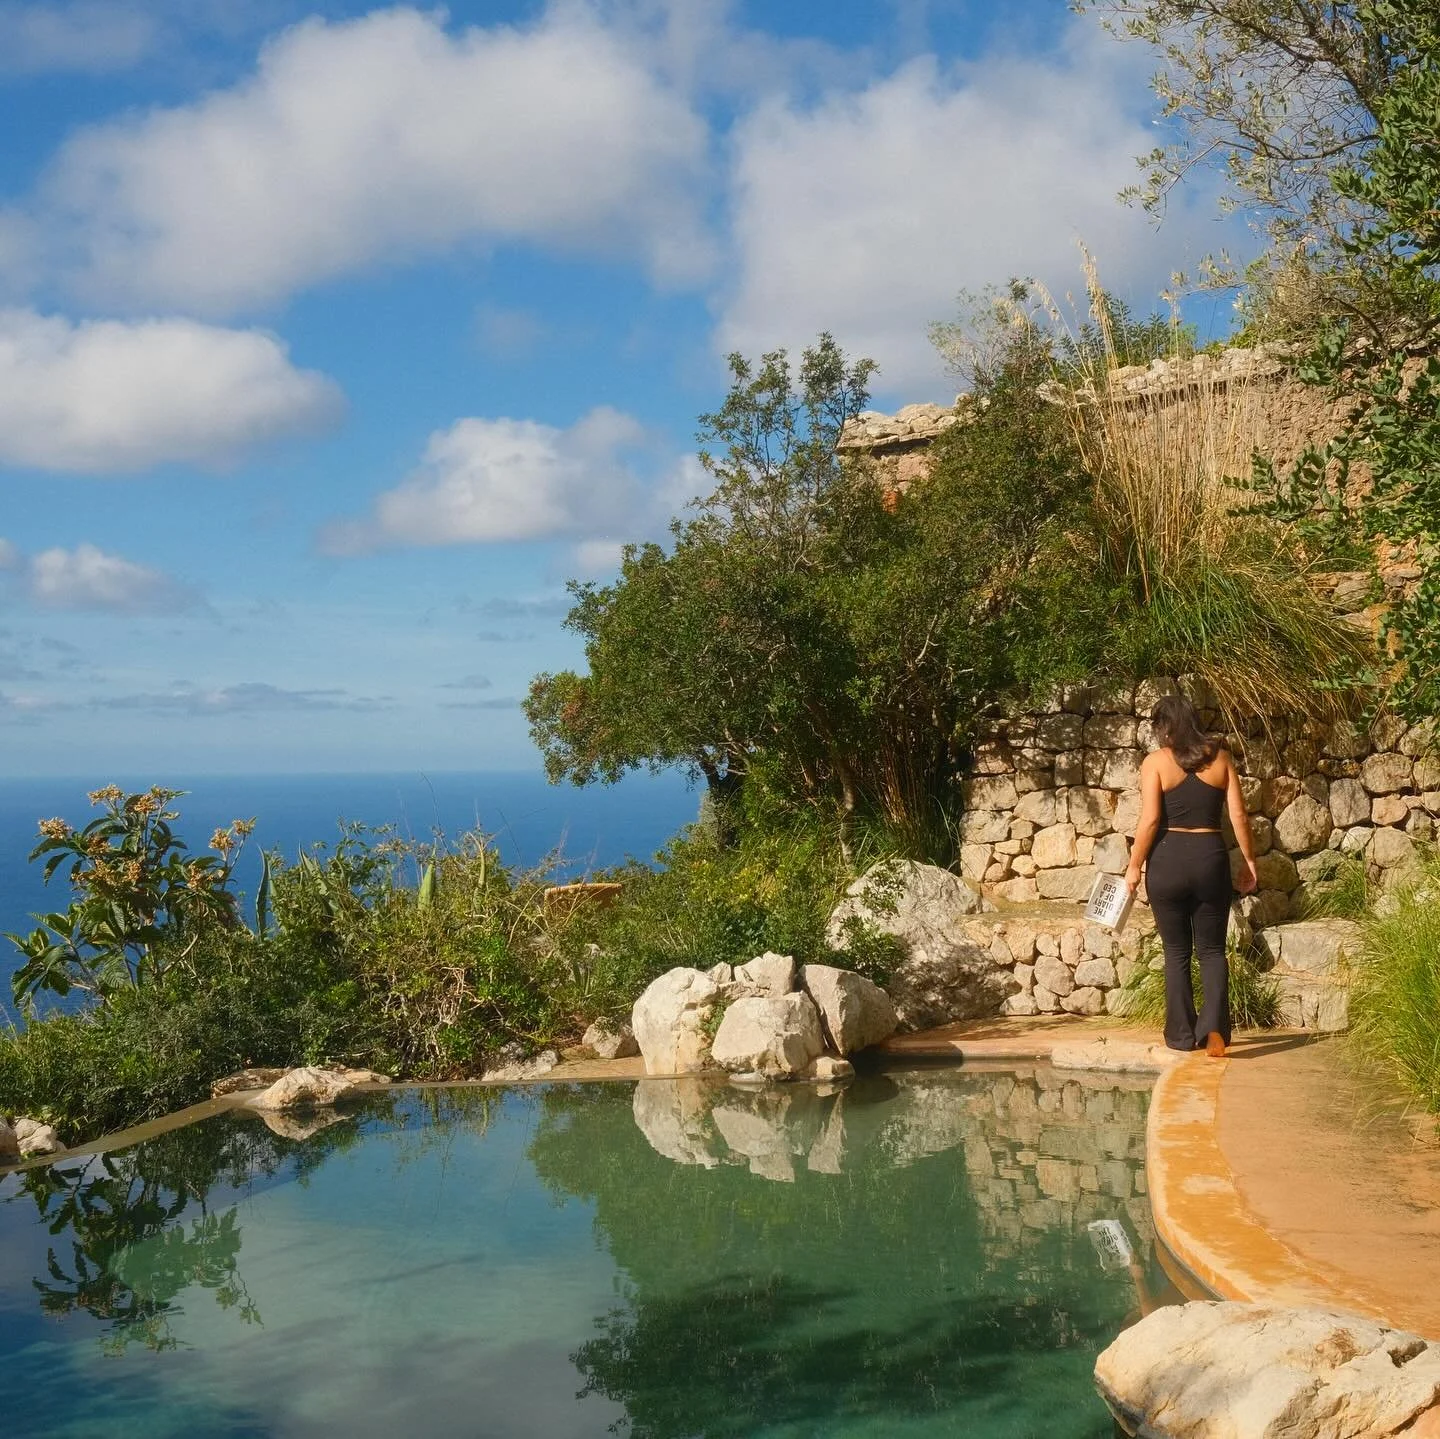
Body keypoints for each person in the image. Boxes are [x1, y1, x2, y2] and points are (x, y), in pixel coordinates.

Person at [1124, 694, 1258, 1056]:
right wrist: (1249, 860)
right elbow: (1239, 816)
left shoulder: (1155, 762)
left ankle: (1182, 1036)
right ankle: (1214, 1031)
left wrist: (1134, 865)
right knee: (1212, 951)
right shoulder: (1221, 759)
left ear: (1164, 728)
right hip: (1210, 857)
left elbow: (1150, 819)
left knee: (1176, 952)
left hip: (1168, 861)